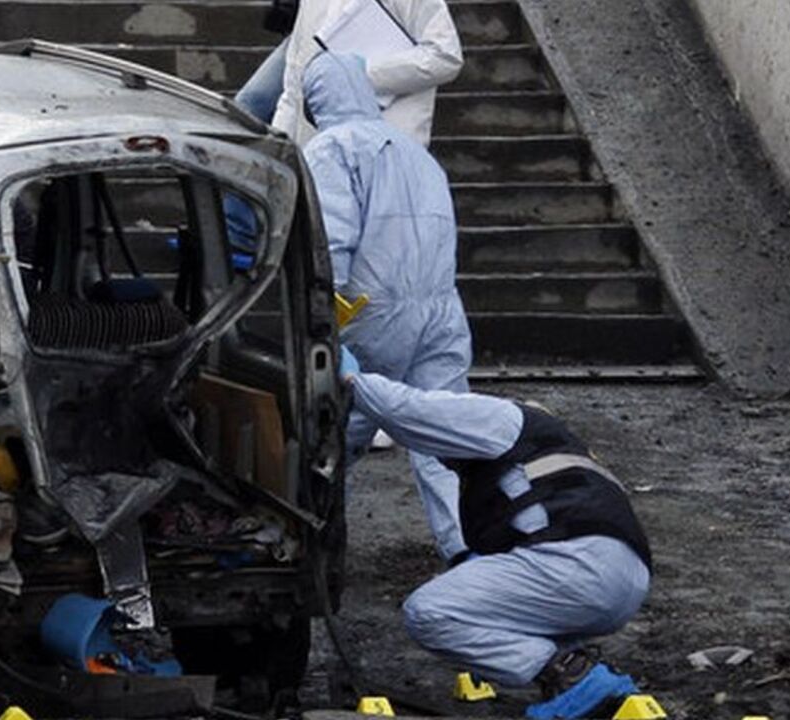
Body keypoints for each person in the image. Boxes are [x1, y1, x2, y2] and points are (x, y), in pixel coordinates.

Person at [338, 347, 651, 720]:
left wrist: (350, 380)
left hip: (578, 567)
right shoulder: (536, 459)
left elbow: (406, 410)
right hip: (623, 580)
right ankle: (573, 674)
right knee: (490, 604)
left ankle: (570, 673)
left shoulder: (502, 418)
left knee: (430, 612)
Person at [303, 52, 473, 562]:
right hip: (442, 311)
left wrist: (319, 317)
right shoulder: (417, 153)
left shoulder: (332, 149)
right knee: (446, 436)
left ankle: (316, 547)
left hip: (370, 315)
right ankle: (467, 549)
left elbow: (328, 243)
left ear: (319, 99)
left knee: (335, 434)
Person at [271, 0, 463, 147]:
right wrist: (279, 148)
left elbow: (445, 56)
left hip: (385, 153)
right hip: (318, 159)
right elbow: (295, 83)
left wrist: (354, 75)